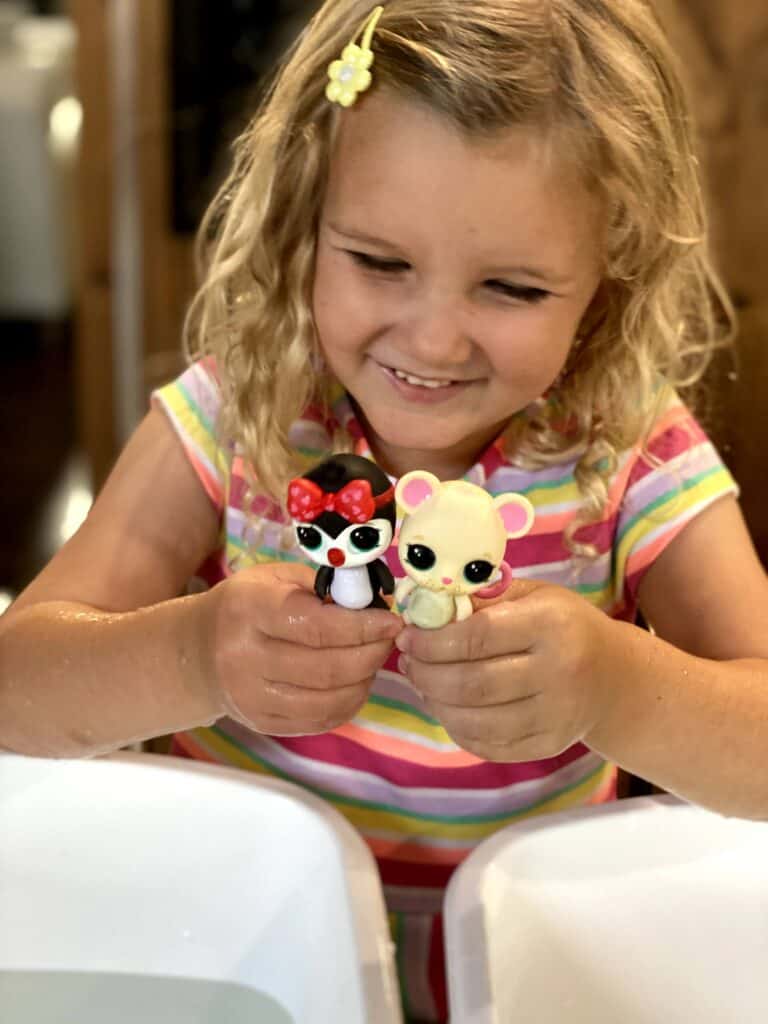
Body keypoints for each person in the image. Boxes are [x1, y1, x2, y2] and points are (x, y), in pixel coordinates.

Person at [3, 1, 768, 1019]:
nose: (436, 339)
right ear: (304, 221)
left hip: (523, 971)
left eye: (510, 286)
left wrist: (617, 690)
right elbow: (18, 687)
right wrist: (195, 656)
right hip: (244, 944)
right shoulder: (238, 417)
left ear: (609, 280)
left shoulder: (630, 452)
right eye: (378, 262)